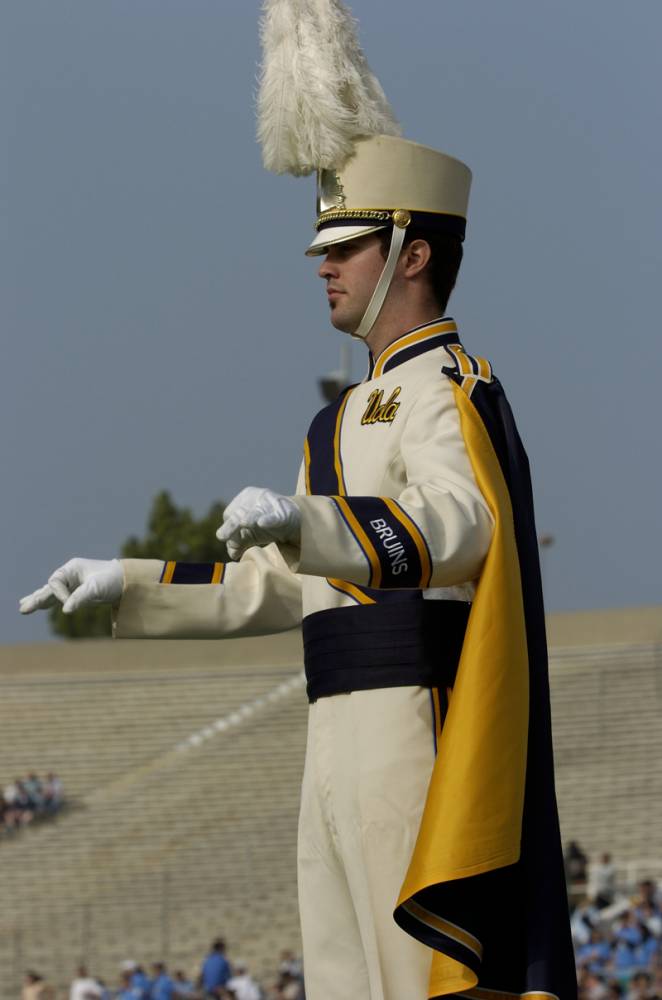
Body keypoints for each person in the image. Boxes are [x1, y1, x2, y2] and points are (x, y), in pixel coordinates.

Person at [19, 2, 576, 997]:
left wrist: (309, 523)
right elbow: (278, 584)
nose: (322, 264)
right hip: (332, 737)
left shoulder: (450, 389)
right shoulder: (336, 419)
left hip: (415, 733)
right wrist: (130, 584)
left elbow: (463, 528)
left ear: (411, 251)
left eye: (346, 245)